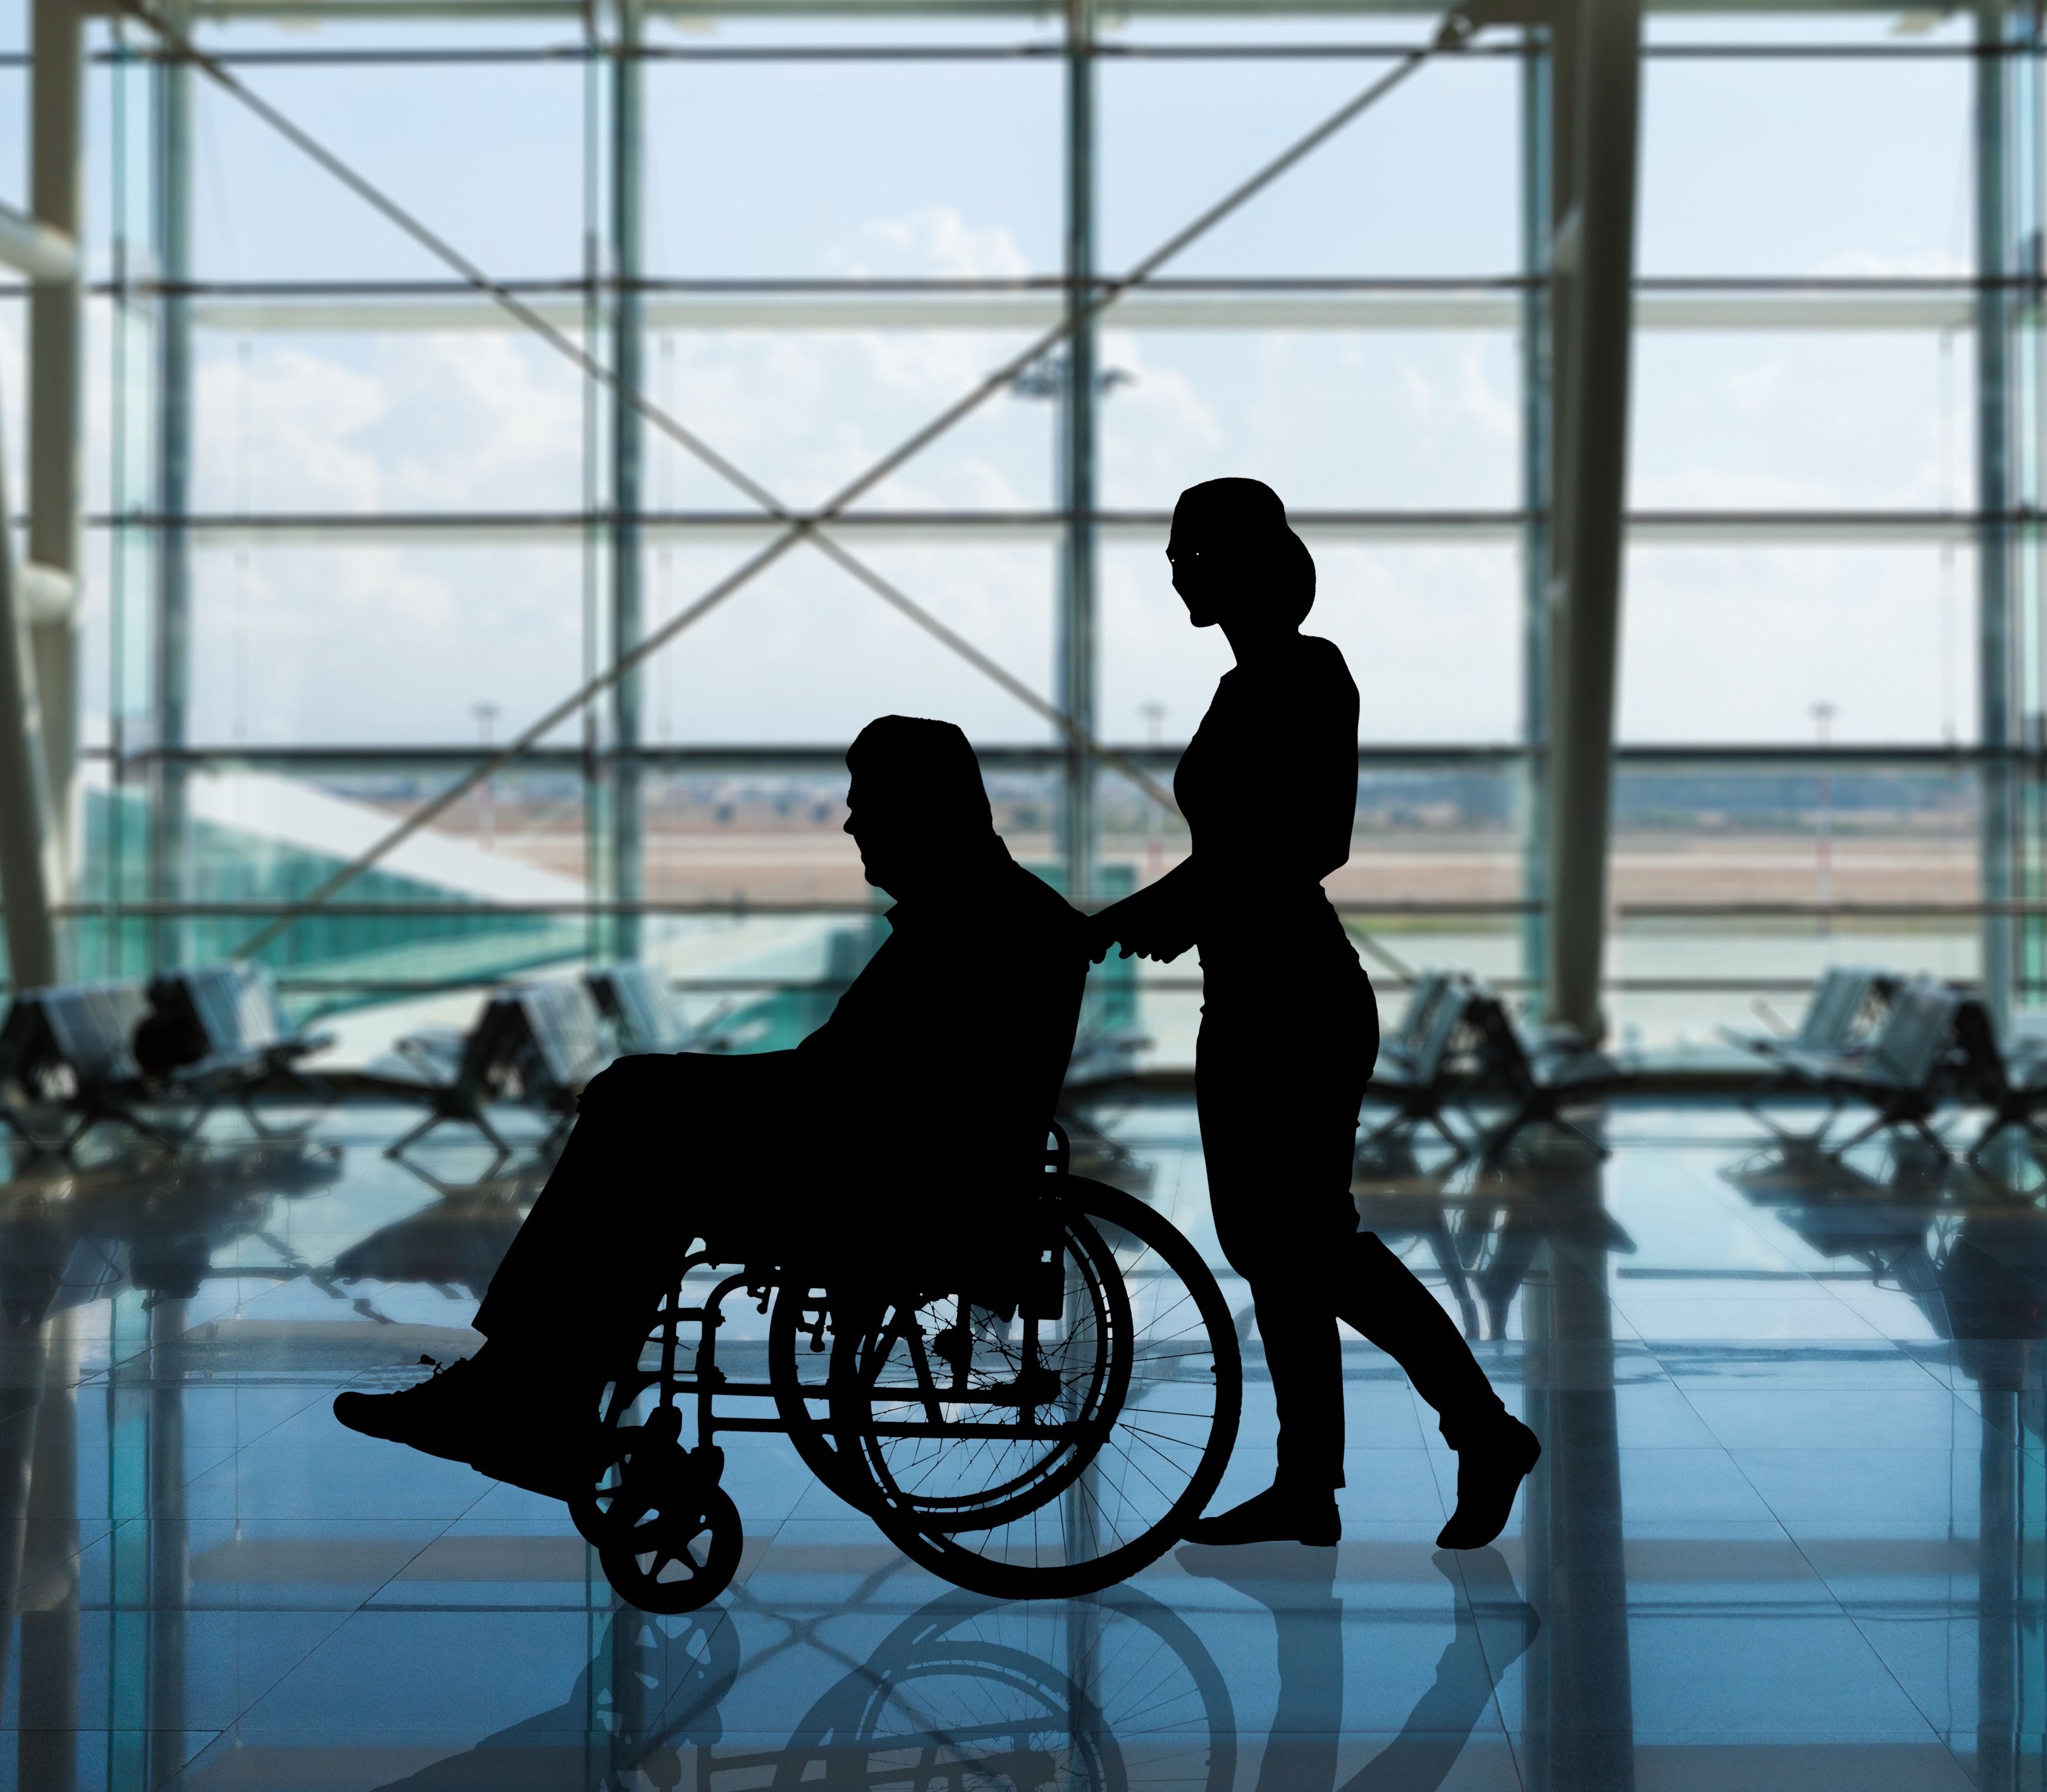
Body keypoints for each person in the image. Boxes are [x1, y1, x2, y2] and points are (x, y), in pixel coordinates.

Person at [336, 715, 1090, 1483]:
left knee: (636, 1132)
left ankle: (523, 1390)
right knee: (645, 1133)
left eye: (866, 799)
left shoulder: (967, 925)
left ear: (918, 806)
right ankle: (528, 1392)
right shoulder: (997, 912)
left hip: (888, 1189)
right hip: (909, 1169)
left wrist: (661, 1078)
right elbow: (857, 1082)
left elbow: (839, 1086)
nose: (851, 820)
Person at [1090, 477, 1538, 1551]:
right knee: (1275, 1248)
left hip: (1292, 999)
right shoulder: (1247, 680)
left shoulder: (1302, 672)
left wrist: (1165, 906)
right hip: (1250, 991)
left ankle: (1478, 1431)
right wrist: (1175, 909)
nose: (1171, 570)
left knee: (1311, 1244)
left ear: (1243, 559)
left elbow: (1304, 844)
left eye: (1188, 551)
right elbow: (1239, 855)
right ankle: (1309, 1482)